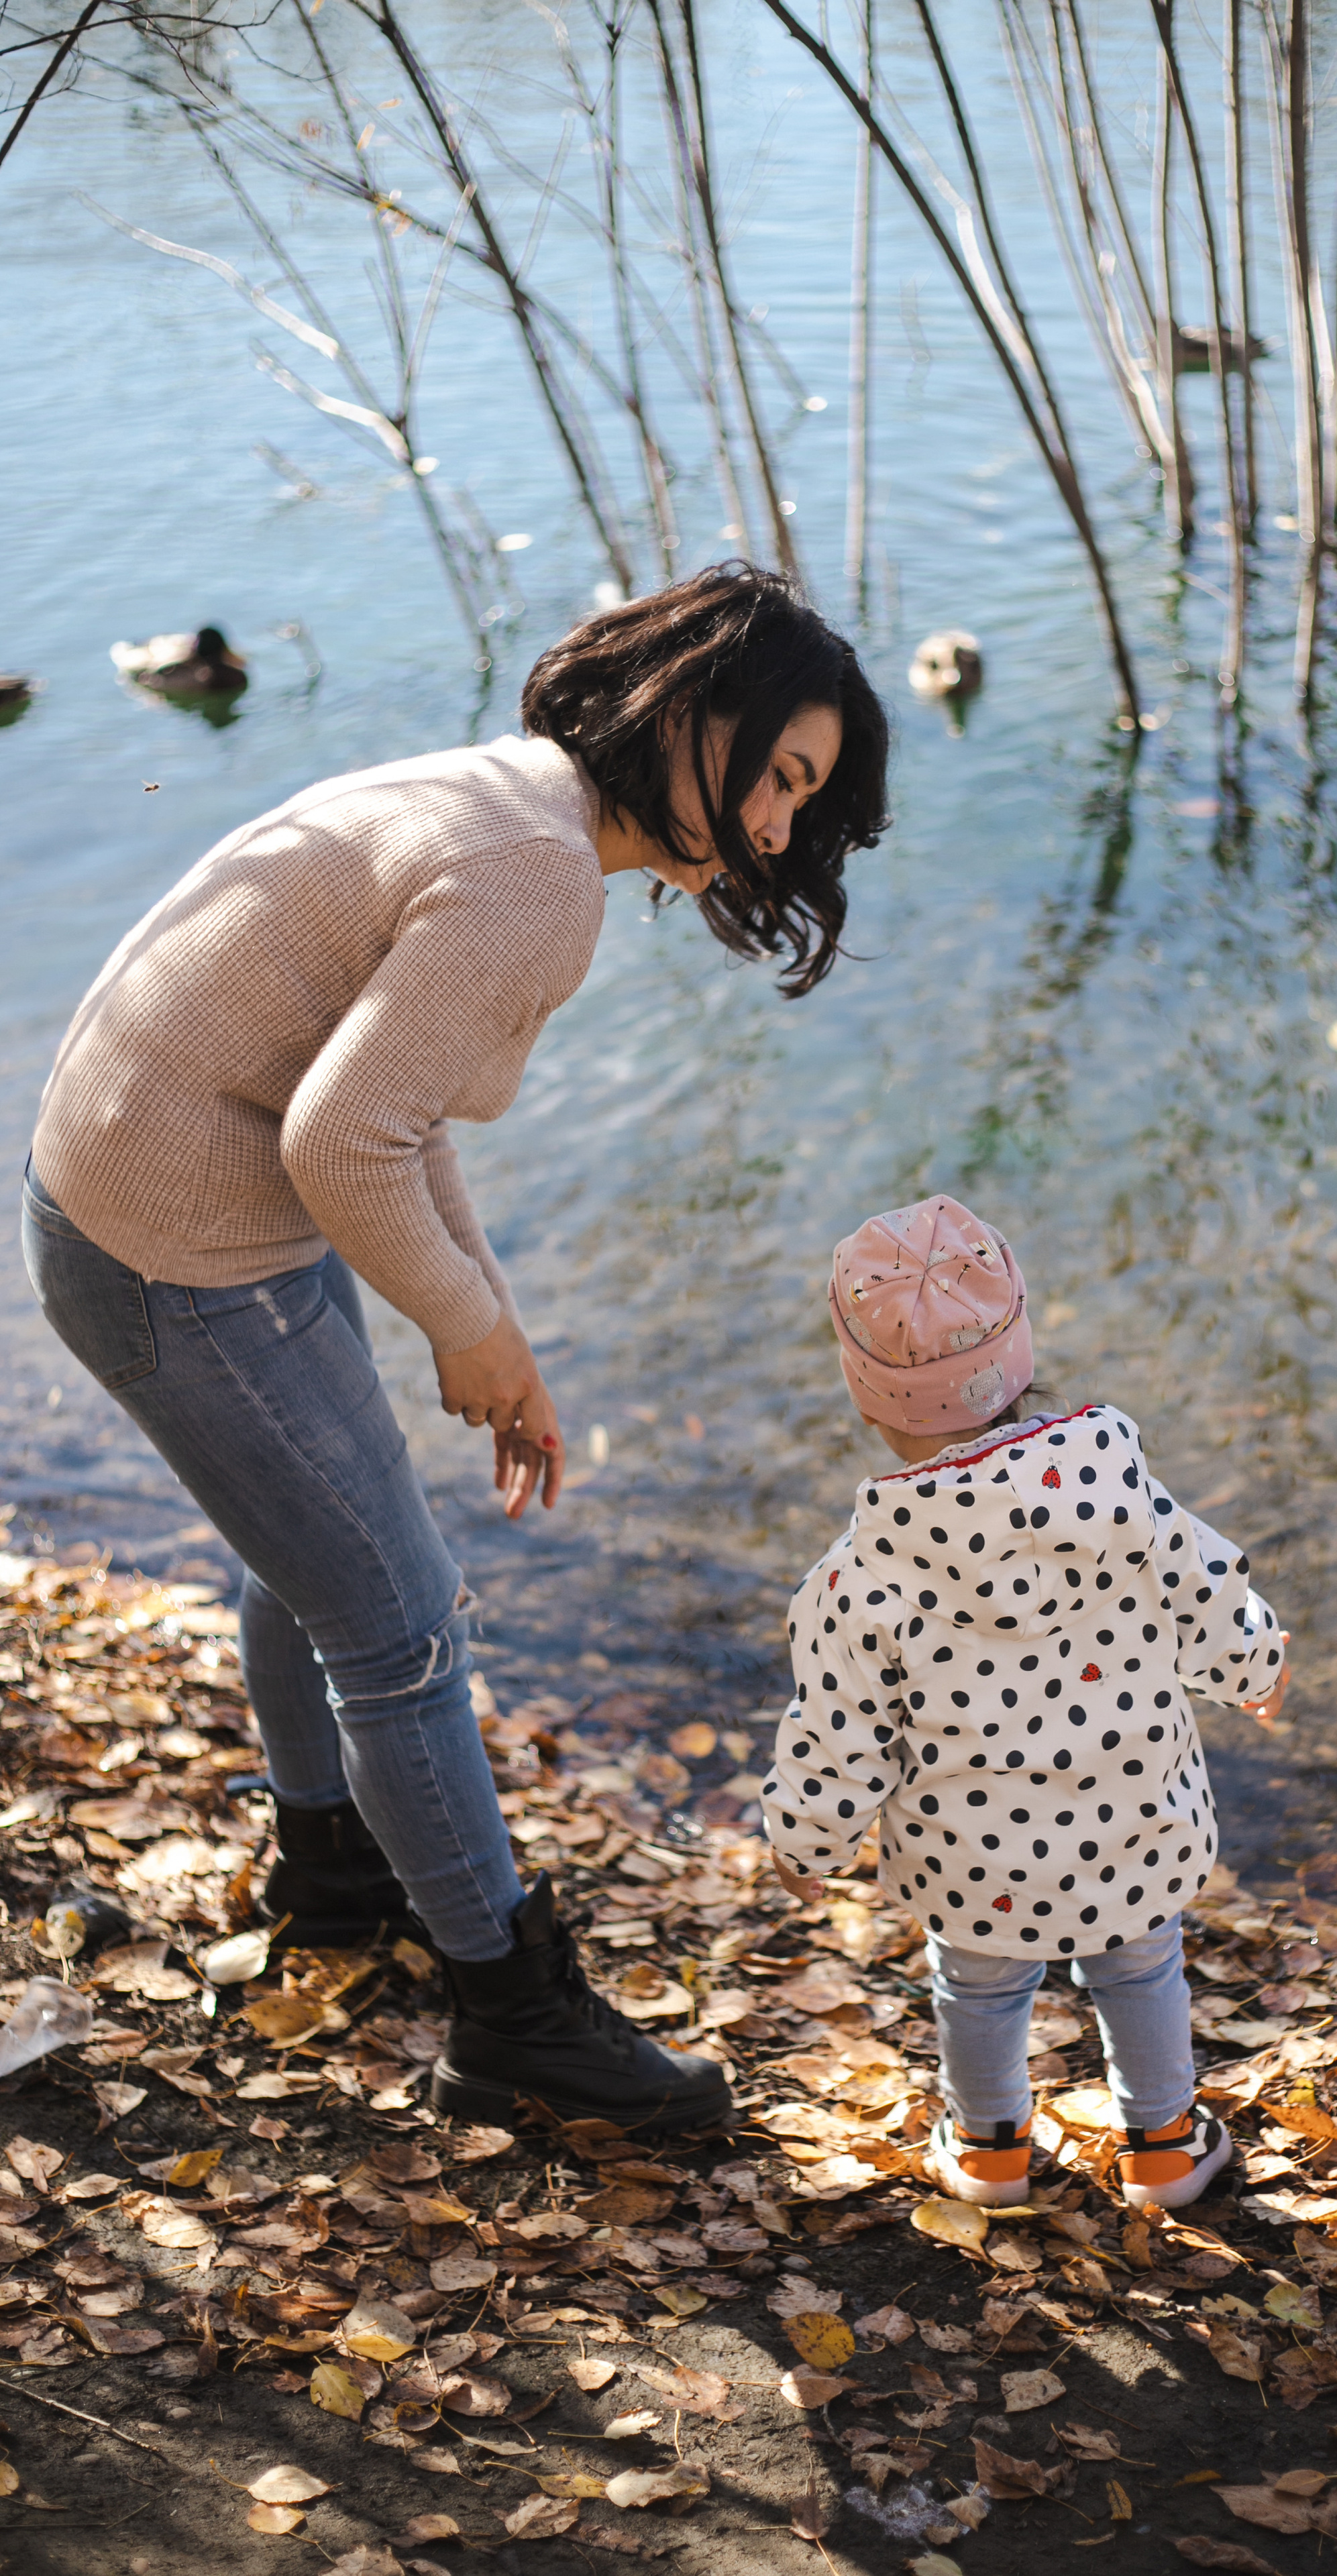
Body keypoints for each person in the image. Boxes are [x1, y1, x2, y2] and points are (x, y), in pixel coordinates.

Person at [21, 564, 890, 2136]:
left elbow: (388, 1117)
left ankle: (337, 1871)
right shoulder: (535, 880)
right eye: (775, 774)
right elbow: (346, 1140)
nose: (777, 827)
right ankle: (511, 2012)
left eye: (804, 798)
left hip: (164, 1196)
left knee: (323, 1557)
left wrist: (494, 1326)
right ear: (688, 715)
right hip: (173, 1240)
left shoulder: (521, 803)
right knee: (404, 1623)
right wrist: (467, 1328)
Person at [762, 1195, 1289, 2208]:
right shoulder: (1117, 1489)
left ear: (868, 1398)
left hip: (975, 1856)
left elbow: (839, 1735)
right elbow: (1206, 1588)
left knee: (978, 1986)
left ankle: (991, 2151)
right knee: (1141, 1971)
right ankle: (1166, 2150)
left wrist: (807, 1842)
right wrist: (1253, 1667)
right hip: (1133, 1813)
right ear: (1019, 1354)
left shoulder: (859, 1575)